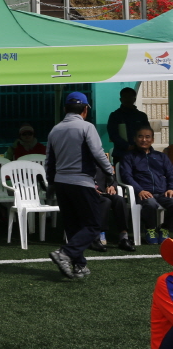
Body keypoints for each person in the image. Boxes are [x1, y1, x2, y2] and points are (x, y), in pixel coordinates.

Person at [45, 91, 114, 279]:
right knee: (93, 225)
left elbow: (49, 162)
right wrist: (110, 172)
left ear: (66, 109)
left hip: (61, 183)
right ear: (85, 110)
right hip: (82, 182)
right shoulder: (87, 127)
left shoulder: (55, 130)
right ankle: (65, 254)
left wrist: (51, 184)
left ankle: (80, 266)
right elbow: (98, 153)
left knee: (73, 226)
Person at [121, 126, 173, 244]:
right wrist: (139, 190)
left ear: (152, 140)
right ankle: (150, 229)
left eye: (147, 137)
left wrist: (171, 188)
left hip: (162, 192)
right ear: (135, 139)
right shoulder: (129, 157)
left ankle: (164, 228)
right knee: (150, 203)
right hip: (142, 193)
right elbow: (127, 176)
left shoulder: (161, 157)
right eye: (140, 136)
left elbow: (171, 173)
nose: (144, 140)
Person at [92, 162, 135, 252]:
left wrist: (112, 186)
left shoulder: (101, 162)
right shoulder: (79, 161)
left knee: (120, 200)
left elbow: (112, 179)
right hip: (87, 193)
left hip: (103, 192)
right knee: (105, 202)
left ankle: (123, 237)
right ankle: (97, 237)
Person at [108, 86, 151, 165]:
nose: (127, 99)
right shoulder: (115, 116)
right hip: (121, 154)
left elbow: (148, 133)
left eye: (130, 97)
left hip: (140, 153)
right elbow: (113, 134)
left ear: (134, 99)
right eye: (125, 97)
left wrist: (141, 145)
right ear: (121, 99)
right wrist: (127, 146)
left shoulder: (141, 116)